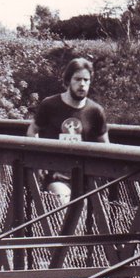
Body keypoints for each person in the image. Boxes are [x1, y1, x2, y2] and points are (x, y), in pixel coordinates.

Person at [27, 57, 108, 203]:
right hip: (55, 174)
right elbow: (32, 131)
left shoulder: (95, 111)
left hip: (85, 176)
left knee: (83, 219)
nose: (82, 84)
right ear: (68, 80)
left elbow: (105, 145)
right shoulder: (50, 105)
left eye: (86, 80)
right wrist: (38, 159)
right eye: (77, 79)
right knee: (63, 202)